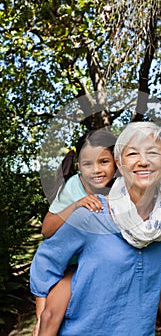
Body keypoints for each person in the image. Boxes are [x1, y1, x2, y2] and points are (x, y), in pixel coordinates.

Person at [31, 122, 161, 336]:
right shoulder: (89, 209)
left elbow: (151, 269)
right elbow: (47, 247)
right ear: (121, 164)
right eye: (133, 154)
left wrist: (158, 302)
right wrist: (42, 315)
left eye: (153, 152)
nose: (143, 161)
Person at [33, 128, 117, 335]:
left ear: (116, 164)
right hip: (64, 267)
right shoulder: (73, 187)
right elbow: (46, 229)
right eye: (88, 164)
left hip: (97, 264)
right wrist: (76, 205)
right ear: (79, 166)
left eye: (103, 162)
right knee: (48, 318)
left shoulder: (120, 189)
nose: (96, 170)